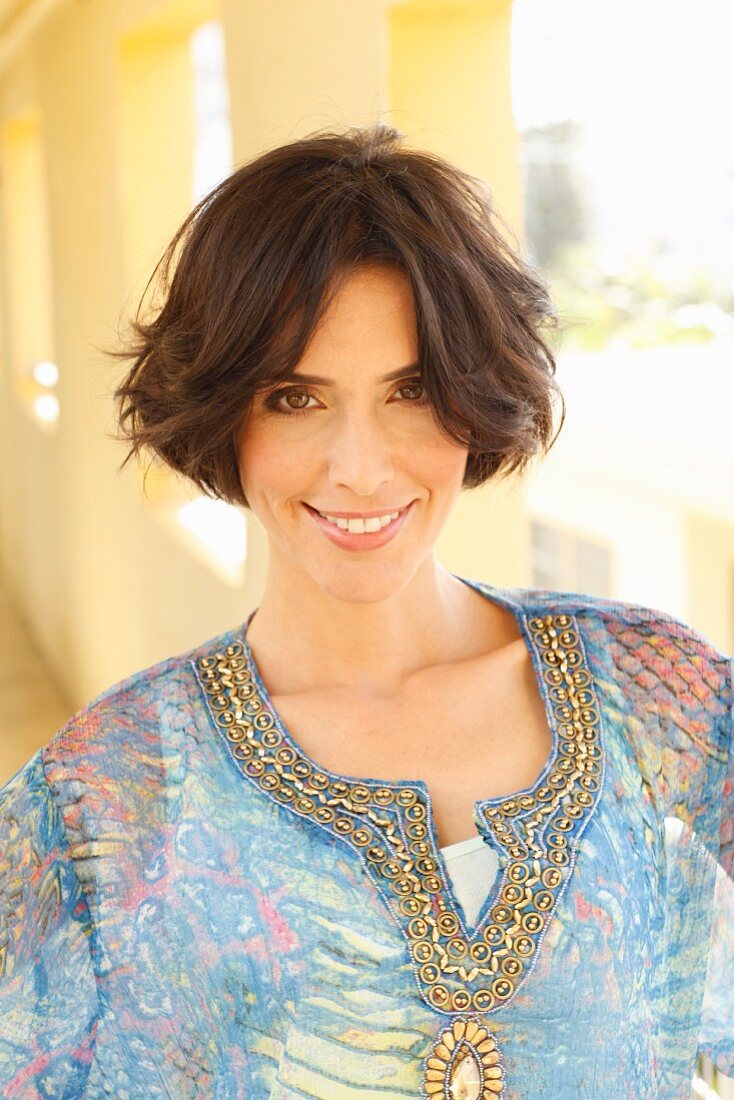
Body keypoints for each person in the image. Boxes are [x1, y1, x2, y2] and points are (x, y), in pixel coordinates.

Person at [0, 122, 732, 1099]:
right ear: (226, 412)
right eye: (296, 397)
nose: (358, 467)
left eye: (412, 390)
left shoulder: (652, 691)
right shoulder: (109, 789)